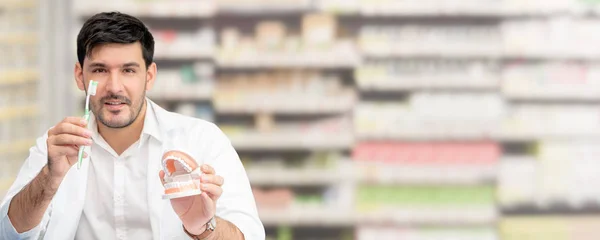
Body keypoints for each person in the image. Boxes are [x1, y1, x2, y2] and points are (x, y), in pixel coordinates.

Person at [0, 12, 265, 240]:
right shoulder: (56, 149)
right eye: (100, 70)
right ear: (81, 76)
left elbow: (249, 235)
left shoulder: (202, 140)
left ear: (149, 76)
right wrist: (49, 178)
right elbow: (8, 232)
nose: (114, 88)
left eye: (128, 70)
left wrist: (203, 228)